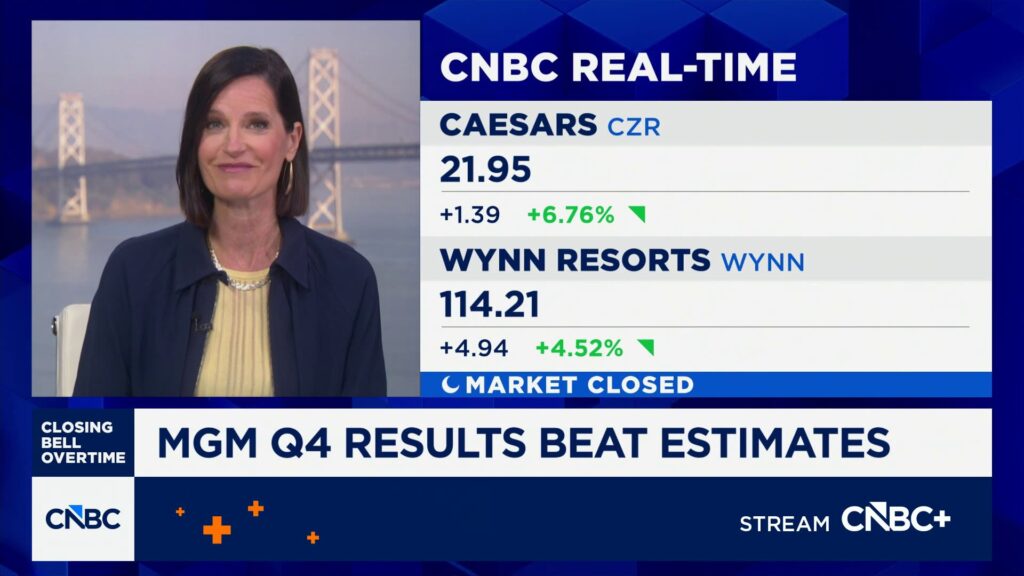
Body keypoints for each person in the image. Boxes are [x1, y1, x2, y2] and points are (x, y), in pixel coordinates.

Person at [73, 46, 386, 396]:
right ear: (195, 142)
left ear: (292, 140)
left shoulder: (349, 281)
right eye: (214, 124)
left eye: (256, 124)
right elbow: (94, 428)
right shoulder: (132, 272)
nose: (233, 145)